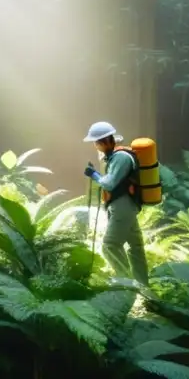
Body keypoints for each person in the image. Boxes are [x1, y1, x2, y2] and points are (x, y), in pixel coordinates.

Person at [82, 121, 148, 285]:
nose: (95, 146)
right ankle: (143, 284)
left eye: (96, 143)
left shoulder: (121, 158)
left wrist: (94, 175)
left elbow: (110, 183)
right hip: (125, 206)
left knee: (110, 245)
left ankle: (125, 280)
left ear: (103, 141)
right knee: (136, 247)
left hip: (123, 206)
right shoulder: (115, 155)